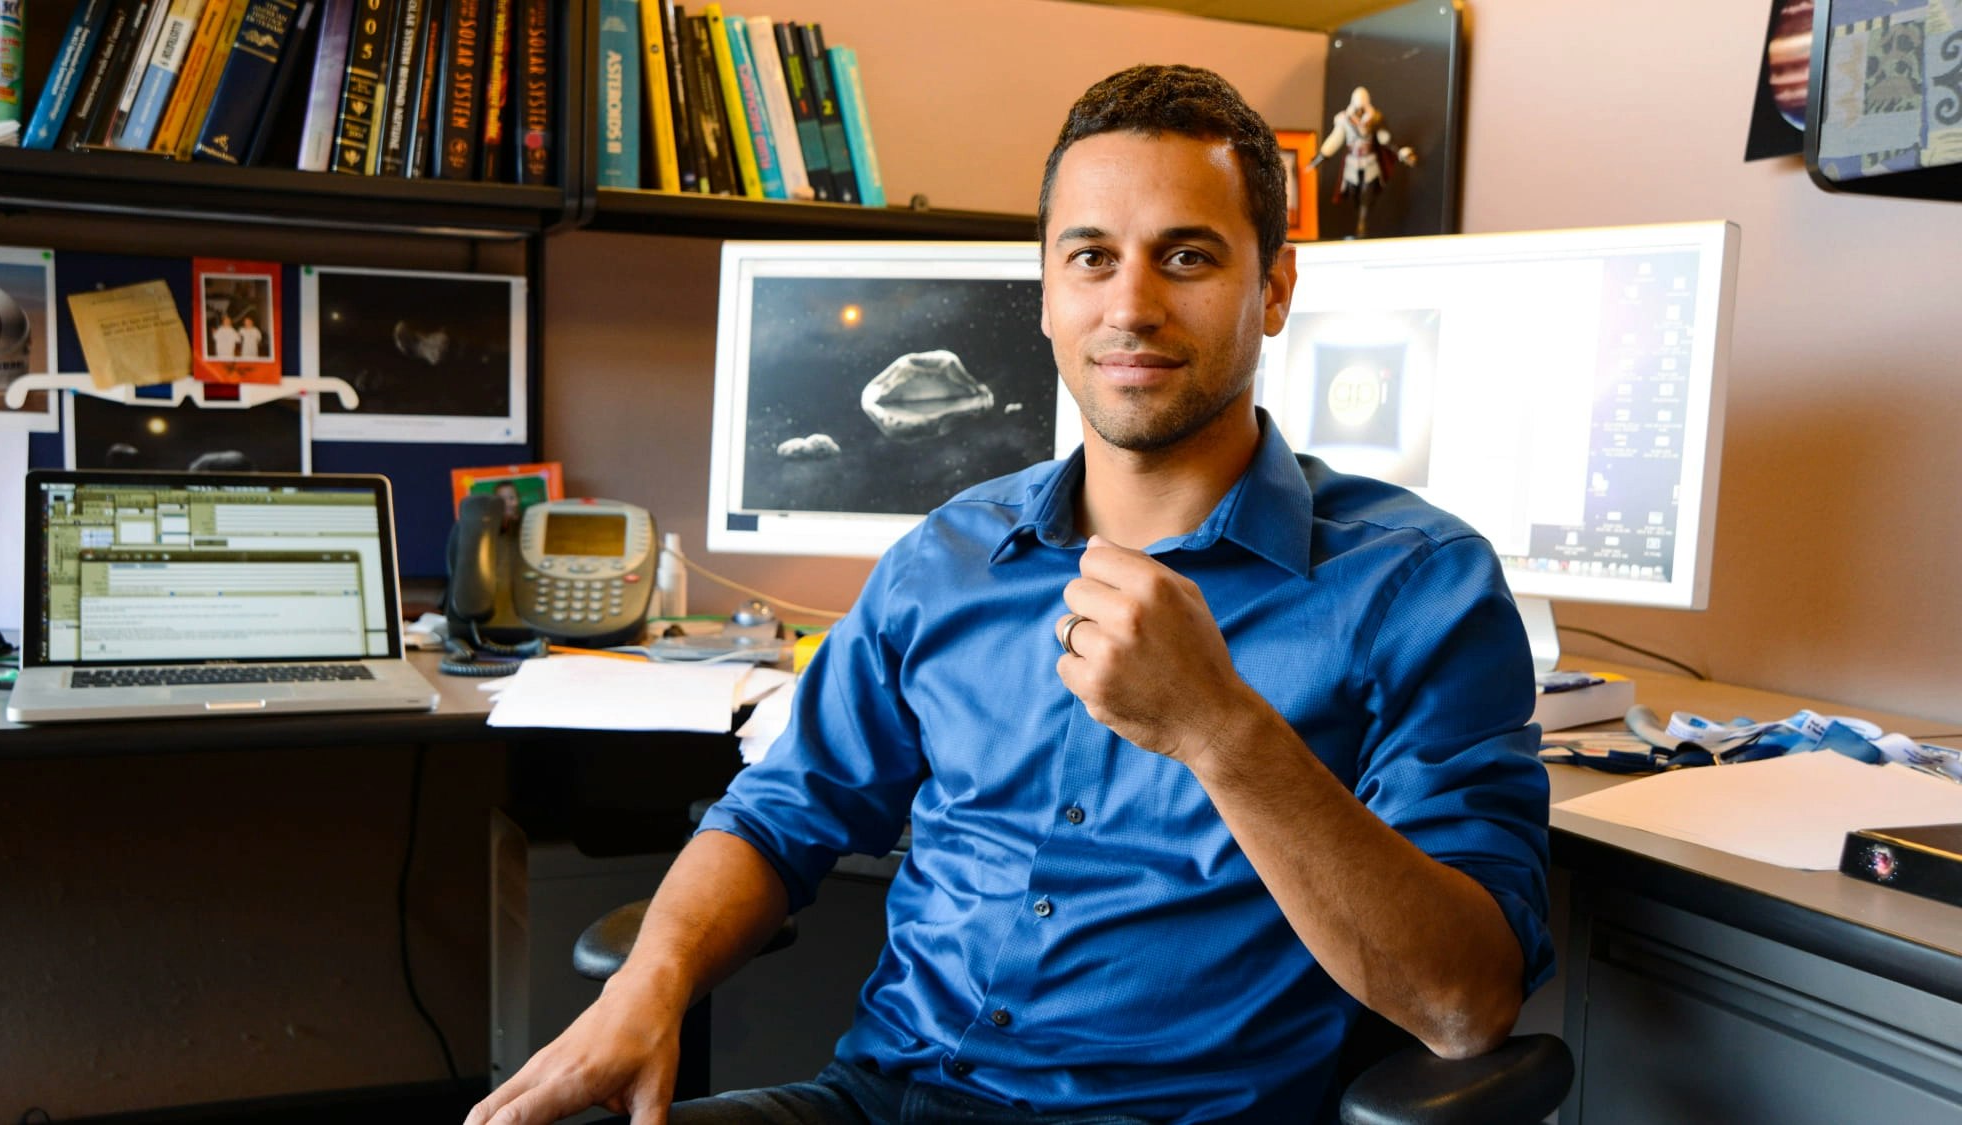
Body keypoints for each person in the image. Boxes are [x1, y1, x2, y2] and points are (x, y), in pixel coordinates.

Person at [466, 64, 1549, 1125]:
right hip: (877, 1099)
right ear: (1044, 294)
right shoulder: (947, 556)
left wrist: (1220, 733)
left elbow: (1460, 1007)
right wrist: (644, 988)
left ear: (1271, 288)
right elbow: (782, 813)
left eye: (1185, 256)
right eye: (1089, 258)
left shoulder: (1415, 584)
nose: (1129, 305)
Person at [1308, 86, 1417, 239]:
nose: (1360, 112)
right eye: (1357, 108)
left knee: (1367, 194)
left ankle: (1362, 226)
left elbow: (1384, 138)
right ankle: (1357, 224)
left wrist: (1399, 152)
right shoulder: (1344, 119)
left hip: (1369, 162)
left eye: (1362, 108)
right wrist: (1319, 157)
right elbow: (1335, 140)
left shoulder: (1375, 119)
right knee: (1353, 195)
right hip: (1352, 163)